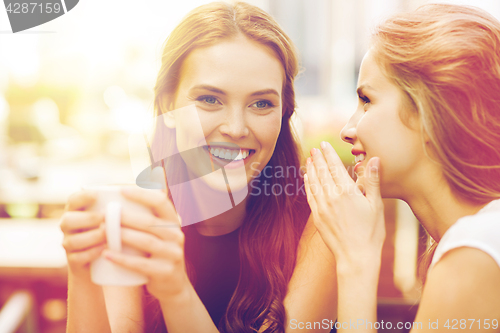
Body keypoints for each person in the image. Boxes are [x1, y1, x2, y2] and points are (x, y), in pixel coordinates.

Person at [60, 2, 337, 332]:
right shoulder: (134, 222)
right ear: (167, 104)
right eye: (210, 99)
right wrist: (83, 272)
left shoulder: (321, 221)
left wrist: (175, 291)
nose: (235, 128)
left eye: (262, 103)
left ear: (284, 112)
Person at [304, 3, 500, 332]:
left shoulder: (475, 253)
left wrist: (356, 260)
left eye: (366, 100)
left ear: (430, 114)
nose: (347, 130)